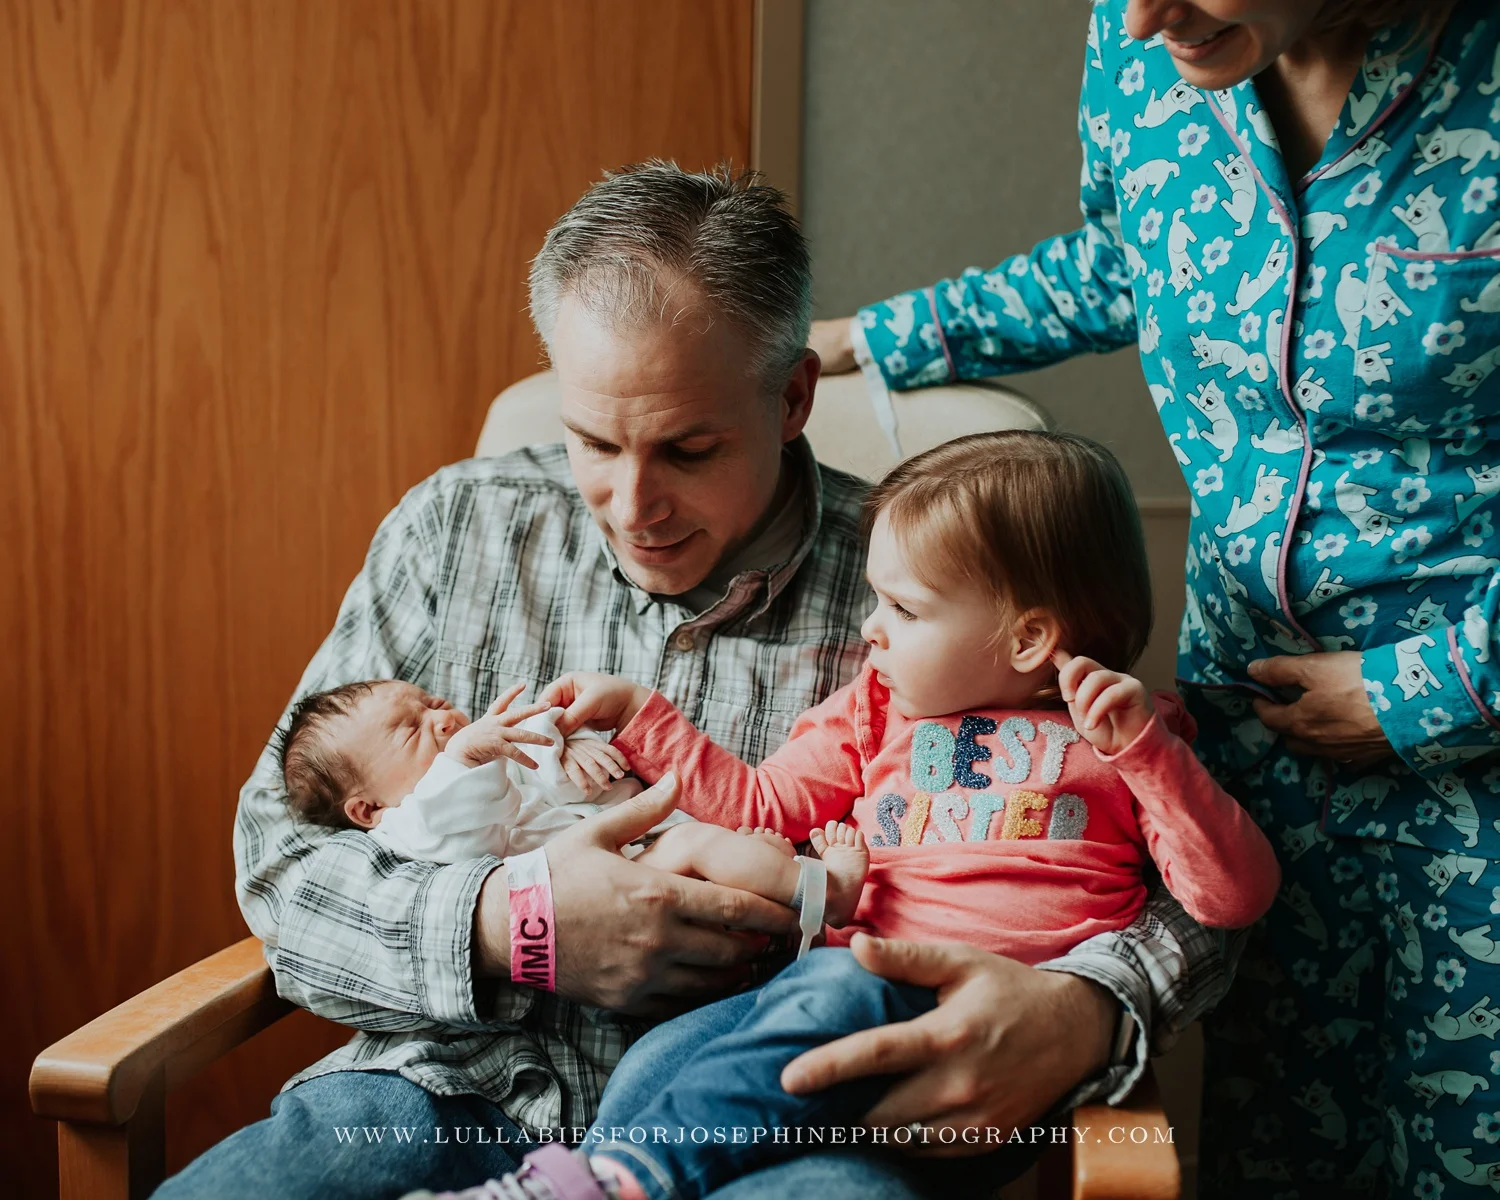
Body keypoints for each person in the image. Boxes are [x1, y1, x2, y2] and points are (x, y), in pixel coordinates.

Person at [153, 162, 1229, 1200]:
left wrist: (1093, 1007)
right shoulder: (452, 530)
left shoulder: (932, 581)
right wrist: (506, 926)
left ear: (794, 395)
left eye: (690, 449)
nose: (632, 504)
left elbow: (1161, 849)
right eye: (592, 443)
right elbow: (284, 858)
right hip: (439, 1088)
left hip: (786, 1117)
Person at [810, 0, 1500, 1191]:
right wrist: (869, 340)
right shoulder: (1147, 49)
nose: (1138, 19)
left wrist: (1424, 688)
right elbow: (1126, 255)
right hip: (1247, 767)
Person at [445, 430, 1280, 1200]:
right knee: (660, 1060)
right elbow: (759, 805)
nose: (869, 630)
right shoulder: (877, 709)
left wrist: (1147, 756)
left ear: (1028, 639)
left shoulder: (1131, 741)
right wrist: (640, 713)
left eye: (905, 610)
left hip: (974, 1048)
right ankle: (597, 1178)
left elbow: (1232, 897)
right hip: (823, 992)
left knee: (837, 989)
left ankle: (624, 1181)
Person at [274, 676, 870, 920]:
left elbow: (541, 774)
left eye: (430, 701)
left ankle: (776, 877)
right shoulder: (405, 832)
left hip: (632, 852)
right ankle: (825, 893)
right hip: (595, 896)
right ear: (367, 810)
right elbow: (472, 830)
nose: (439, 717)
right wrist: (467, 757)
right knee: (696, 846)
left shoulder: (488, 763)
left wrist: (571, 748)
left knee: (707, 850)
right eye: (411, 730)